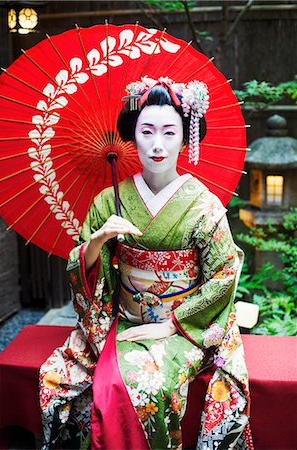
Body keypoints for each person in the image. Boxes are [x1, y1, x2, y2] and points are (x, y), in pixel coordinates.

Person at [39, 77, 253, 450]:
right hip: (119, 317)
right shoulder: (110, 200)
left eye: (170, 133)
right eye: (147, 131)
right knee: (54, 381)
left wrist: (171, 325)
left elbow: (222, 275)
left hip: (184, 324)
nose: (157, 145)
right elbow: (83, 268)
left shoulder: (203, 205)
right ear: (131, 136)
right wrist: (98, 240)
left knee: (144, 385)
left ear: (186, 139)